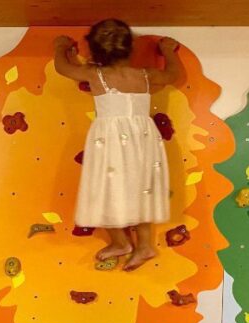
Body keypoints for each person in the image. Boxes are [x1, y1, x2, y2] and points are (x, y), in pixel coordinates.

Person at [54, 19, 180, 271]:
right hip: (142, 140)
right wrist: (167, 52)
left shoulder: (95, 74)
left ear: (94, 51)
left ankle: (120, 242)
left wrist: (61, 48)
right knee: (141, 191)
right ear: (130, 48)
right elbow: (171, 75)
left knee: (104, 190)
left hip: (110, 141)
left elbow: (64, 69)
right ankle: (144, 245)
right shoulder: (144, 75)